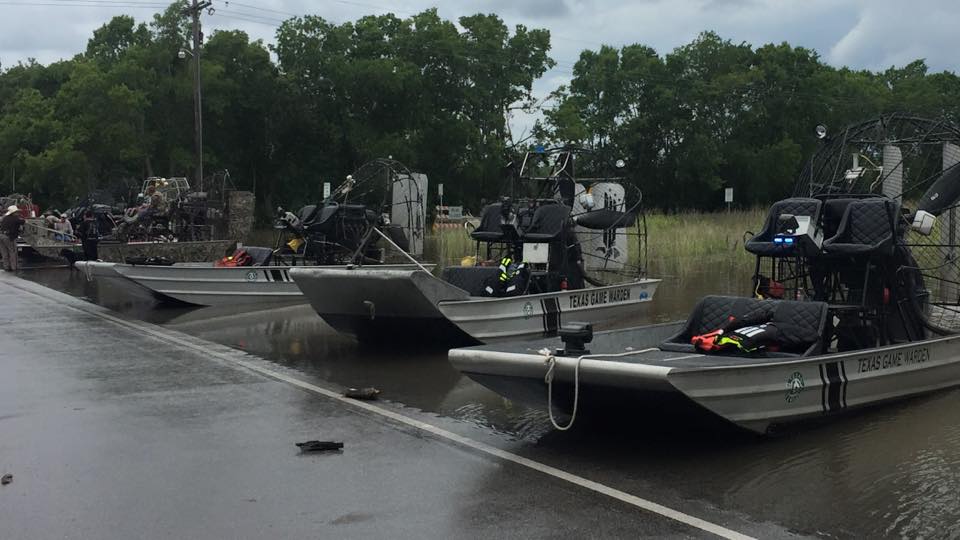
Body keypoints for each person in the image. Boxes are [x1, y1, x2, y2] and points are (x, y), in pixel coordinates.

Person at [0, 205, 24, 271]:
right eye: (17, 212)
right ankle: (14, 267)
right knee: (12, 252)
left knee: (4, 252)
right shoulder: (15, 218)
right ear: (14, 212)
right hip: (9, 237)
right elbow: (23, 222)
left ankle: (6, 267)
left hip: (1, 235)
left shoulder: (5, 218)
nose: (18, 213)